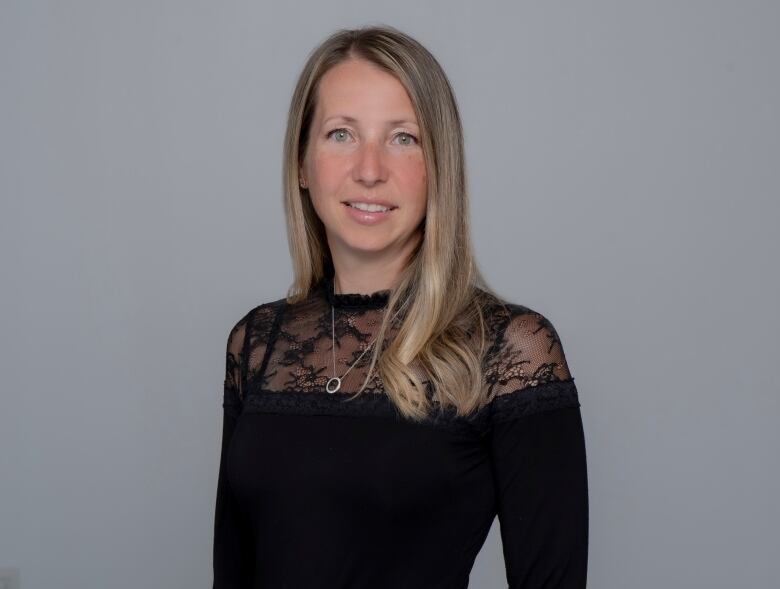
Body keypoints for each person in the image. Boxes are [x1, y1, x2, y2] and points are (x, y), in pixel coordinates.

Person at [213, 24, 588, 589]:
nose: (369, 169)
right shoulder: (258, 343)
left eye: (403, 138)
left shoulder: (509, 349)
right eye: (341, 134)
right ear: (301, 165)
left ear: (440, 168)